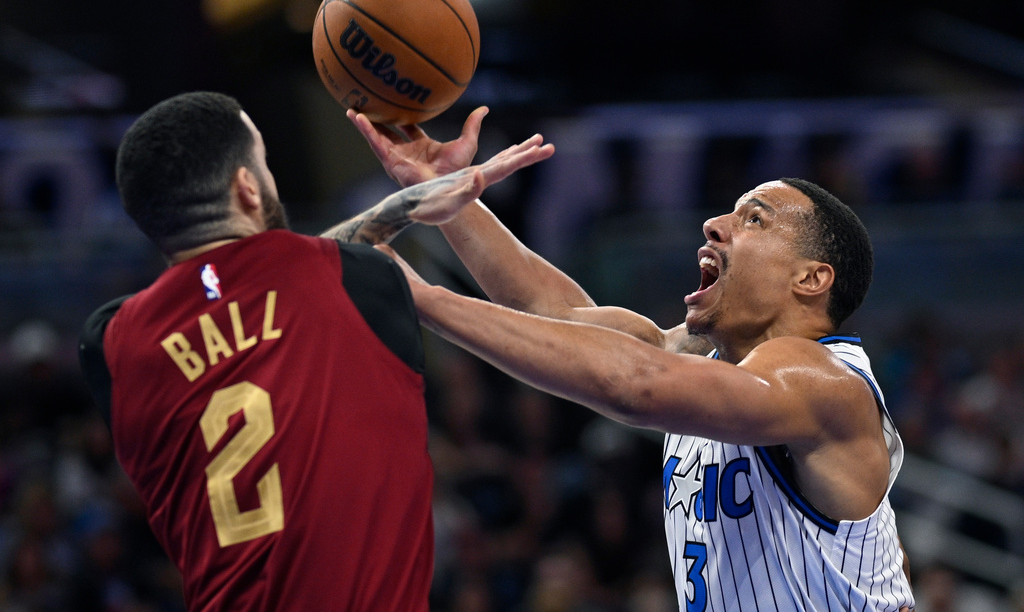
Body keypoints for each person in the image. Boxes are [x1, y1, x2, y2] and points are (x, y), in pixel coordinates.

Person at [347, 107, 916, 611]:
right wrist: (443, 191)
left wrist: (422, 297)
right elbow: (556, 316)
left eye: (754, 219)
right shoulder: (705, 360)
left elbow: (636, 385)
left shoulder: (822, 380)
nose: (714, 224)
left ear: (811, 278)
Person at [77, 91, 552, 611]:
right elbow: (313, 272)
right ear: (247, 190)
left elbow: (265, 283)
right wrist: (407, 204)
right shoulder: (359, 283)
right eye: (262, 162)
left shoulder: (111, 347)